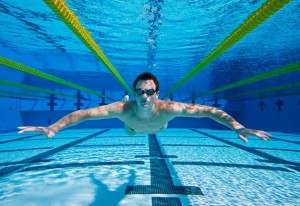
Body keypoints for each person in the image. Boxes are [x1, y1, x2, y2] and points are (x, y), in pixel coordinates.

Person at [18, 72, 271, 142]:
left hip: (160, 125)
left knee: (162, 127)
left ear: (157, 94)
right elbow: (83, 115)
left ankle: (158, 127)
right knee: (130, 130)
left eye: (149, 91)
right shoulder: (123, 108)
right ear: (134, 93)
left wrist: (238, 126)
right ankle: (135, 130)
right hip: (133, 127)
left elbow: (208, 111)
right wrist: (54, 127)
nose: (144, 95)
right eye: (139, 91)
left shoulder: (168, 107)